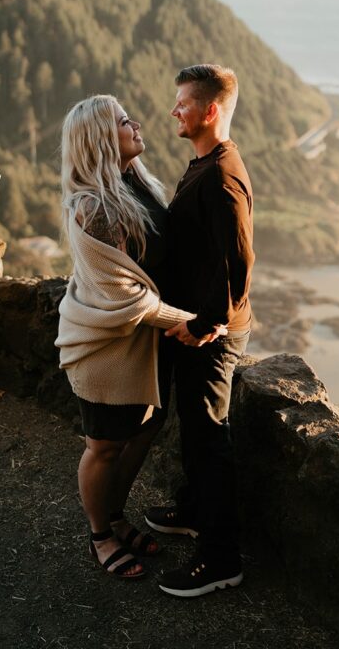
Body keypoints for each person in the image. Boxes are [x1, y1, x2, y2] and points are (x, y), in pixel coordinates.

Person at [55, 94, 224, 580]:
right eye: (124, 121)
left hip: (145, 344)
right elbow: (125, 295)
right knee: (104, 446)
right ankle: (99, 534)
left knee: (144, 432)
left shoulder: (135, 182)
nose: (137, 125)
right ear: (101, 138)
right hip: (107, 347)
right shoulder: (94, 208)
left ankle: (115, 515)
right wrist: (191, 321)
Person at [146, 64, 255, 598]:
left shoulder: (222, 174)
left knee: (211, 439)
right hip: (196, 327)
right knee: (193, 429)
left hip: (212, 338)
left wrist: (208, 324)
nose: (175, 111)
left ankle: (220, 559)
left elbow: (239, 260)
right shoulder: (205, 163)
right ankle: (192, 511)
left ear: (210, 110)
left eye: (183, 102)